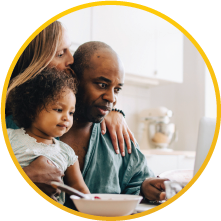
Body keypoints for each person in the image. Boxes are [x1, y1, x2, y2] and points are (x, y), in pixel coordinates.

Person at [6, 21, 137, 198]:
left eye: (116, 89)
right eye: (60, 54)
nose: (71, 60)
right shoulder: (11, 128)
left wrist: (113, 112)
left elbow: (136, 180)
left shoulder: (107, 129)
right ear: (32, 65)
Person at [61, 41, 168, 208]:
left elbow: (138, 182)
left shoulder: (119, 135)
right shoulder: (40, 129)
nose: (112, 98)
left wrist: (145, 188)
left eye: (117, 89)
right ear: (73, 78)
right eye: (102, 85)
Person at [7, 68, 90, 203]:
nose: (66, 118)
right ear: (32, 110)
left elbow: (80, 190)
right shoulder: (9, 137)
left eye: (71, 113)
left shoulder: (67, 153)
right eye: (59, 110)